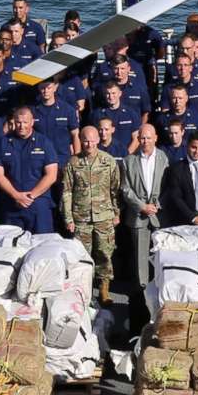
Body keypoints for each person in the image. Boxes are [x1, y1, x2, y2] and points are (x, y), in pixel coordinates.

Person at [64, 124, 121, 303]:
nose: (89, 144)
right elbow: (67, 191)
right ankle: (84, 292)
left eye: (92, 140)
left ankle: (104, 290)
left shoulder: (108, 161)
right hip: (81, 218)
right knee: (82, 257)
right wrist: (68, 218)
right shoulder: (73, 163)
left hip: (104, 216)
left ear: (98, 140)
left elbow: (115, 190)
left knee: (104, 254)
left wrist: (116, 213)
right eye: (85, 141)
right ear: (80, 141)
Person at [0, 105, 62, 236]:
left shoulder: (44, 142)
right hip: (11, 205)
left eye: (25, 122)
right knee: (11, 249)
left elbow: (51, 175)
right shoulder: (3, 143)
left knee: (41, 248)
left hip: (38, 206)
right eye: (18, 122)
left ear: (32, 122)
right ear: (13, 122)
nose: (21, 126)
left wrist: (31, 196)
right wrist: (16, 195)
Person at [118, 121, 170, 294]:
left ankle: (161, 289)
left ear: (155, 138)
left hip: (159, 213)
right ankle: (142, 291)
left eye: (149, 138)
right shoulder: (128, 161)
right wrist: (142, 206)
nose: (145, 141)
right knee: (140, 257)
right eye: (142, 138)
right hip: (138, 215)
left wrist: (157, 205)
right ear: (138, 139)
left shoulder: (164, 158)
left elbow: (169, 185)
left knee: (162, 253)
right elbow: (125, 189)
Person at [163, 129, 198, 229]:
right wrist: (193, 217)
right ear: (187, 146)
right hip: (184, 222)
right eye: (194, 147)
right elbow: (176, 197)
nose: (197, 151)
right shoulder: (176, 169)